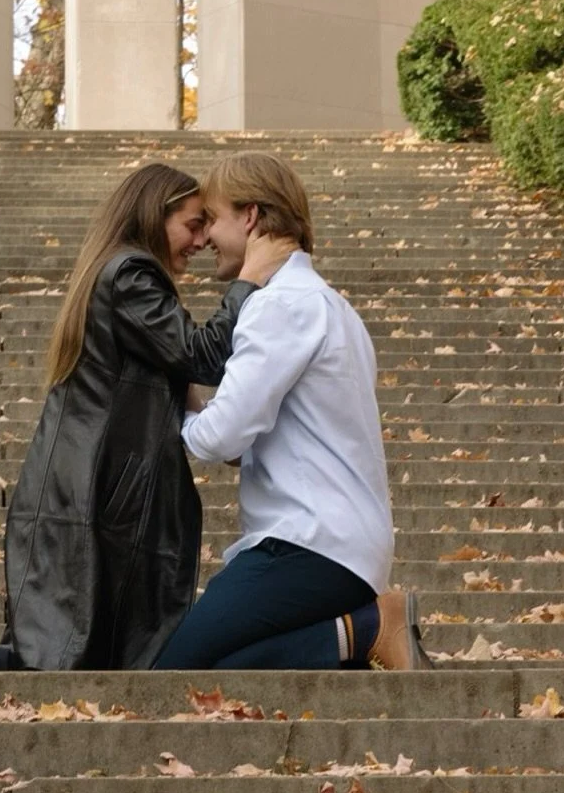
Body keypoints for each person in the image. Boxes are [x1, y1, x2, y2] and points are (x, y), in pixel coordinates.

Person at [0, 161, 288, 673]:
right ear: (155, 215)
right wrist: (248, 280)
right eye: (192, 224)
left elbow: (169, 368)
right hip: (98, 495)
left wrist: (216, 423)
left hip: (94, 491)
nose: (199, 241)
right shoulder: (131, 273)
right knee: (75, 662)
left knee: (83, 659)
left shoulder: (118, 271)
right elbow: (201, 353)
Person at [153, 150, 431, 672]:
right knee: (222, 672)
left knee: (173, 673)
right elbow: (254, 437)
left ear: (251, 216)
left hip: (308, 543)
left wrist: (158, 414)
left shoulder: (279, 304)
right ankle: (355, 638)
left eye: (213, 218)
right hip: (339, 544)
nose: (206, 236)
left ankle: (371, 626)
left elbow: (218, 439)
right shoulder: (330, 304)